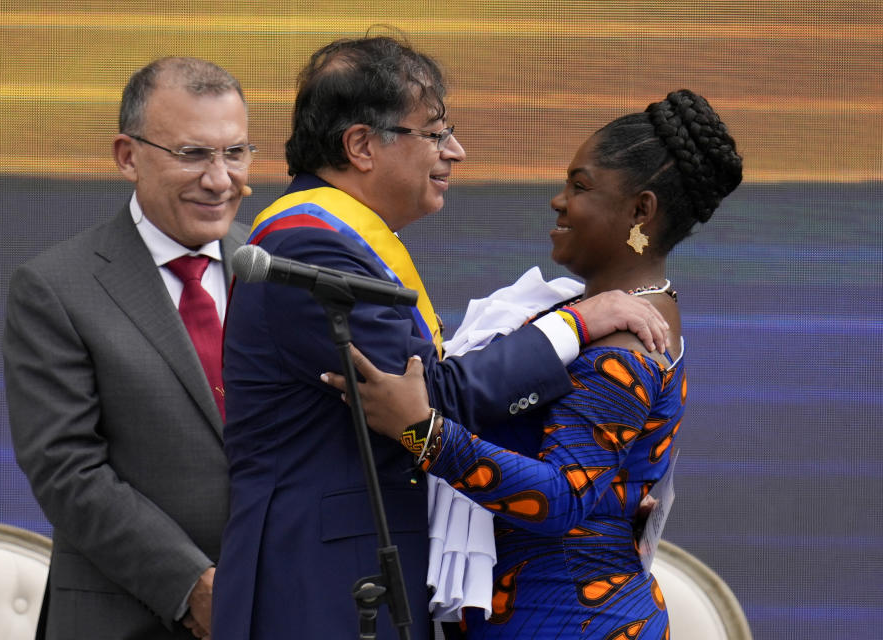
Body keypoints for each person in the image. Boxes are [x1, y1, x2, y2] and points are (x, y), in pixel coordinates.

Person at [214, 36, 670, 640]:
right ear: (361, 145)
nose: (455, 151)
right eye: (434, 133)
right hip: (321, 585)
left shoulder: (350, 239)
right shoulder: (310, 245)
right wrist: (574, 323)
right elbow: (434, 398)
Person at [323, 89, 743, 638]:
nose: (559, 200)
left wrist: (422, 433)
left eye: (581, 185)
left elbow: (561, 495)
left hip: (571, 619)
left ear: (641, 210)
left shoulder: (627, 342)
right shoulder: (596, 313)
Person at [2, 57, 255, 639]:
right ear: (127, 156)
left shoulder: (273, 267)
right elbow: (67, 470)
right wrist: (192, 585)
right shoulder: (56, 287)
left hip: (279, 605)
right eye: (193, 154)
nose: (220, 179)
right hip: (129, 615)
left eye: (235, 152)